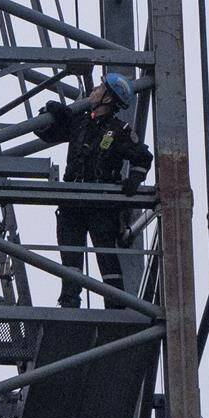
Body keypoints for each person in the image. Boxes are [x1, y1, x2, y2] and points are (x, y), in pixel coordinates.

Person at [36, 73, 151, 308]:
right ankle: (69, 302)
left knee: (107, 258)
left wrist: (135, 180)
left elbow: (143, 157)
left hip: (100, 205)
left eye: (100, 88)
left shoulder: (119, 130)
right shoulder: (79, 123)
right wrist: (49, 116)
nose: (94, 91)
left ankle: (115, 304)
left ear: (108, 99)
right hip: (72, 205)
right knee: (70, 256)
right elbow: (46, 135)